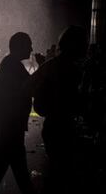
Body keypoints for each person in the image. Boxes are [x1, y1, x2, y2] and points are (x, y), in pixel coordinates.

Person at [30, 26, 89, 193]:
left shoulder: (52, 65)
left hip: (52, 125)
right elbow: (74, 101)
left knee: (57, 172)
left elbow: (30, 85)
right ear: (74, 45)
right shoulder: (72, 69)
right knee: (62, 174)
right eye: (82, 43)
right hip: (62, 126)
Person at [0, 32, 35, 194]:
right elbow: (31, 86)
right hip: (10, 126)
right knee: (18, 174)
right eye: (28, 44)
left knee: (1, 170)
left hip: (7, 125)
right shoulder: (13, 65)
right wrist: (44, 67)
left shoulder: (10, 63)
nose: (31, 48)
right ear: (20, 46)